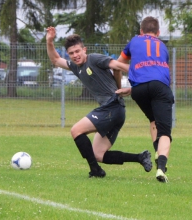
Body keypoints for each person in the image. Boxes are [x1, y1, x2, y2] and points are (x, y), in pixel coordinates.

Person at [46, 27, 152, 178]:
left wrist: (142, 72)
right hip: (116, 110)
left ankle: (95, 171)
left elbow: (117, 66)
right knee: (97, 154)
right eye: (71, 53)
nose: (75, 55)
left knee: (76, 130)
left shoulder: (93, 59)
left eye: (77, 51)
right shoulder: (76, 67)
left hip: (112, 107)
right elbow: (55, 60)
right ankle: (140, 157)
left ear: (84, 49)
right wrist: (49, 41)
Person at [116, 16, 174, 183]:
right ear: (158, 32)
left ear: (141, 31)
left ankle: (157, 150)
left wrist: (120, 84)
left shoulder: (134, 40)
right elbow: (158, 71)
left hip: (139, 90)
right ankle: (161, 168)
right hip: (159, 87)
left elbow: (118, 64)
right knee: (165, 132)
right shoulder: (163, 46)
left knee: (153, 119)